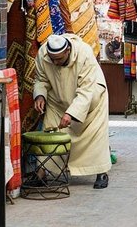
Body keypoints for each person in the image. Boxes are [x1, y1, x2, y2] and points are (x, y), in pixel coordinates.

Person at [34, 34, 111, 189]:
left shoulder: (84, 54)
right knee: (50, 131)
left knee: (95, 137)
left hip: (91, 100)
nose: (55, 63)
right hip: (58, 99)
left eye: (59, 60)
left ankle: (101, 172)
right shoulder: (43, 54)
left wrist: (71, 113)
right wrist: (40, 95)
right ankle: (41, 173)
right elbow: (41, 78)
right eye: (52, 59)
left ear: (68, 51)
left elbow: (86, 90)